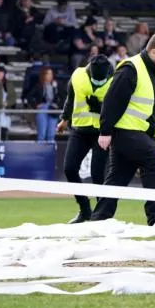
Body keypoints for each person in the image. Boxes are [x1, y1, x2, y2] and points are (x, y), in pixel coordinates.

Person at [90, 33, 155, 226]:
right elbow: (111, 100)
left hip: (135, 133)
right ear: (153, 51)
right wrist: (105, 131)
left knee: (117, 178)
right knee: (153, 161)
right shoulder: (131, 69)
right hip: (125, 131)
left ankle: (98, 219)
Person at [56, 55, 114, 223]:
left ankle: (102, 215)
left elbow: (119, 106)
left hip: (101, 133)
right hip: (79, 130)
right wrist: (64, 120)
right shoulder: (78, 75)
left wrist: (101, 108)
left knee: (98, 174)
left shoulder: (114, 80)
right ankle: (85, 209)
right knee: (69, 168)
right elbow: (70, 99)